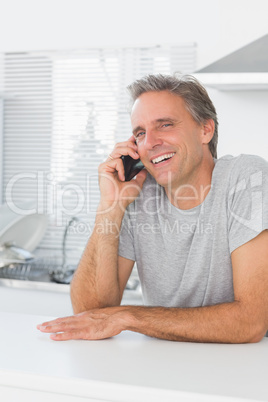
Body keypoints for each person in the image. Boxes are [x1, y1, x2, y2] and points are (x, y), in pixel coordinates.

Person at [37, 74, 268, 343]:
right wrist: (110, 207)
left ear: (206, 130)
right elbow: (92, 314)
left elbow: (250, 322)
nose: (149, 143)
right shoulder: (138, 192)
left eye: (165, 125)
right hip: (160, 366)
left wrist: (129, 317)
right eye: (140, 133)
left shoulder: (245, 178)